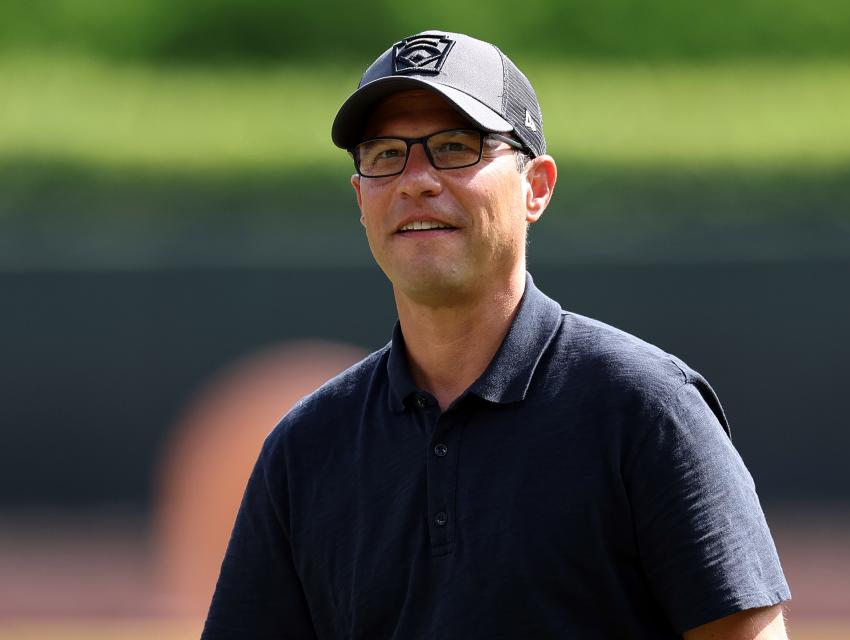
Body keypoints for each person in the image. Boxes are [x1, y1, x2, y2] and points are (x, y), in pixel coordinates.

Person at [202, 30, 791, 639]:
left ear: (536, 187)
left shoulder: (644, 410)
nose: (416, 181)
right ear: (361, 198)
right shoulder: (305, 451)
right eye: (384, 155)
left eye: (455, 147)